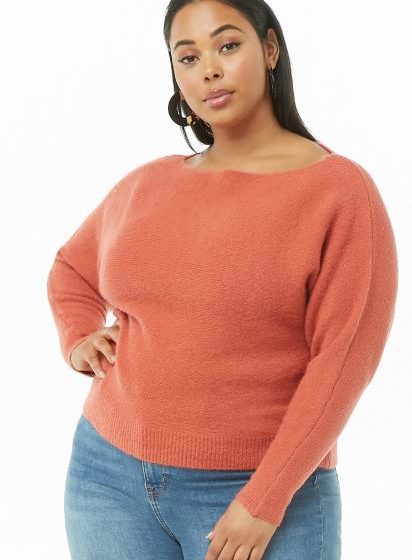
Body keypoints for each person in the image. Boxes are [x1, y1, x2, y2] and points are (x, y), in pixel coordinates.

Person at [46, 1, 398, 559]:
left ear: (270, 49)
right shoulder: (148, 184)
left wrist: (264, 500)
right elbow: (72, 269)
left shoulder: (338, 192)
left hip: (258, 491)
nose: (208, 69)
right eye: (187, 57)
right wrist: (78, 337)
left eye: (227, 45)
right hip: (106, 476)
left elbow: (343, 363)